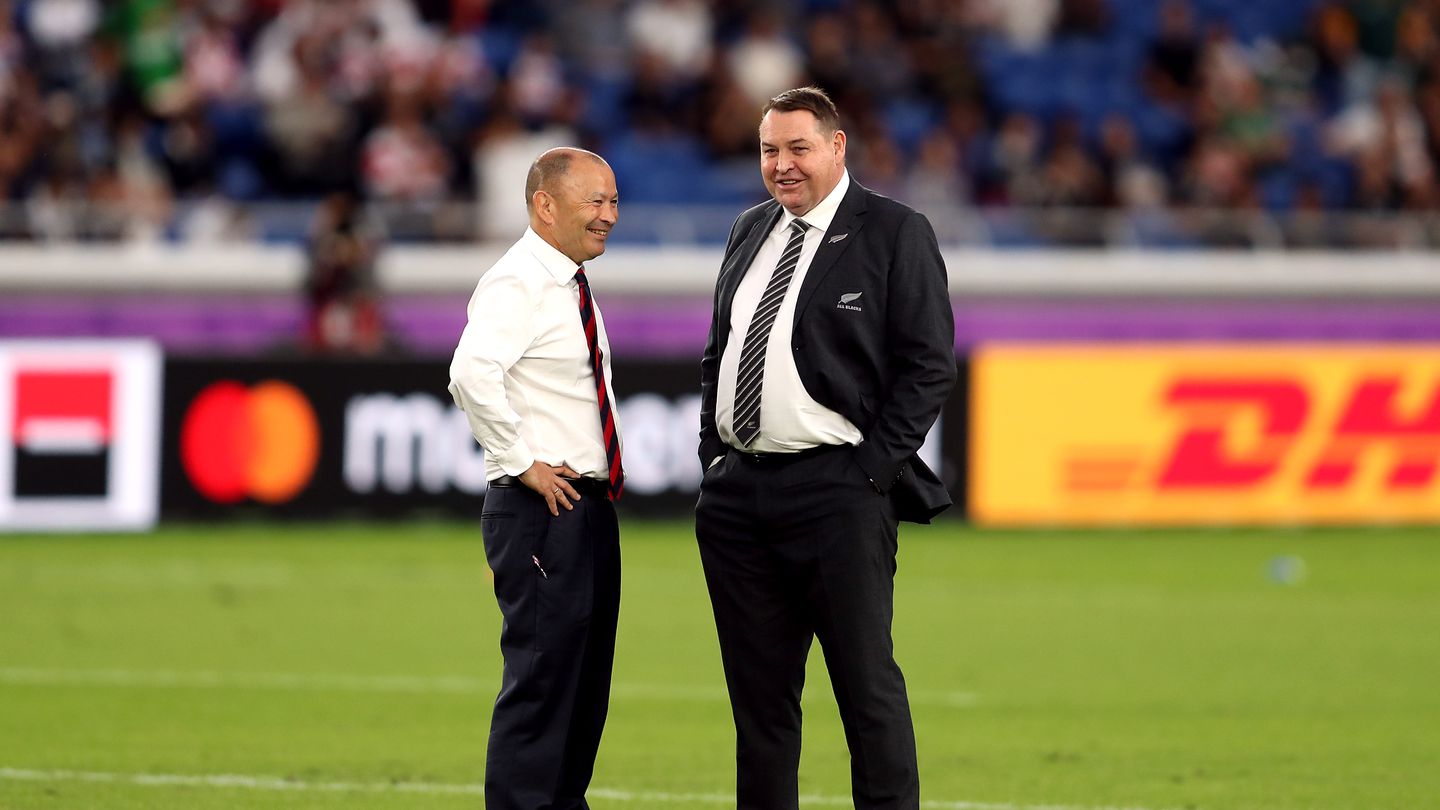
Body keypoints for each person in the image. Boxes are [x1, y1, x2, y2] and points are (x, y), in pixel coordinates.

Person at [696, 86, 956, 810]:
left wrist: (871, 472)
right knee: (760, 708)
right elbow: (720, 352)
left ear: (837, 147)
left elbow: (929, 365)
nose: (781, 165)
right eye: (769, 150)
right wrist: (712, 456)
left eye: (797, 148)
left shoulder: (896, 230)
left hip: (837, 493)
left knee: (866, 694)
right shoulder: (749, 228)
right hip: (738, 498)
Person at [448, 146, 624, 810]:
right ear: (544, 205)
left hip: (583, 508)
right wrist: (522, 461)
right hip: (544, 510)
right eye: (594, 201)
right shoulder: (520, 278)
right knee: (545, 685)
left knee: (581, 688)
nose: (607, 215)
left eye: (613, 202)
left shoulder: (566, 282)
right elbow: (470, 373)